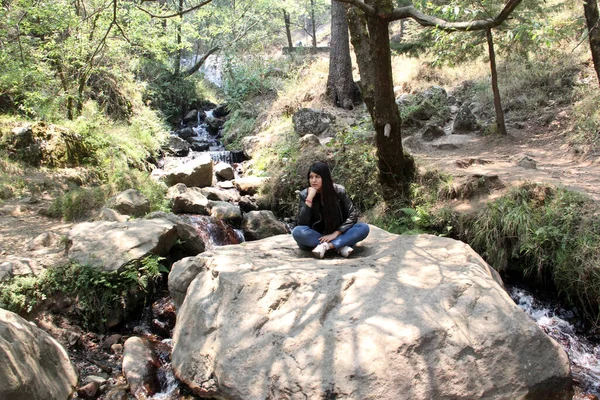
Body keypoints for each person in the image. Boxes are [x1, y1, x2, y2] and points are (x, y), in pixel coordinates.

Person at [292, 161, 369, 258]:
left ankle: (327, 246)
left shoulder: (339, 192)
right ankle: (339, 246)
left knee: (363, 228)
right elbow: (302, 223)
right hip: (315, 238)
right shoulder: (305, 194)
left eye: (317, 177)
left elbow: (352, 215)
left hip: (338, 234)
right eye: (311, 177)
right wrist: (310, 198)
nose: (313, 180)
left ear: (325, 178)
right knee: (297, 231)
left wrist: (336, 233)